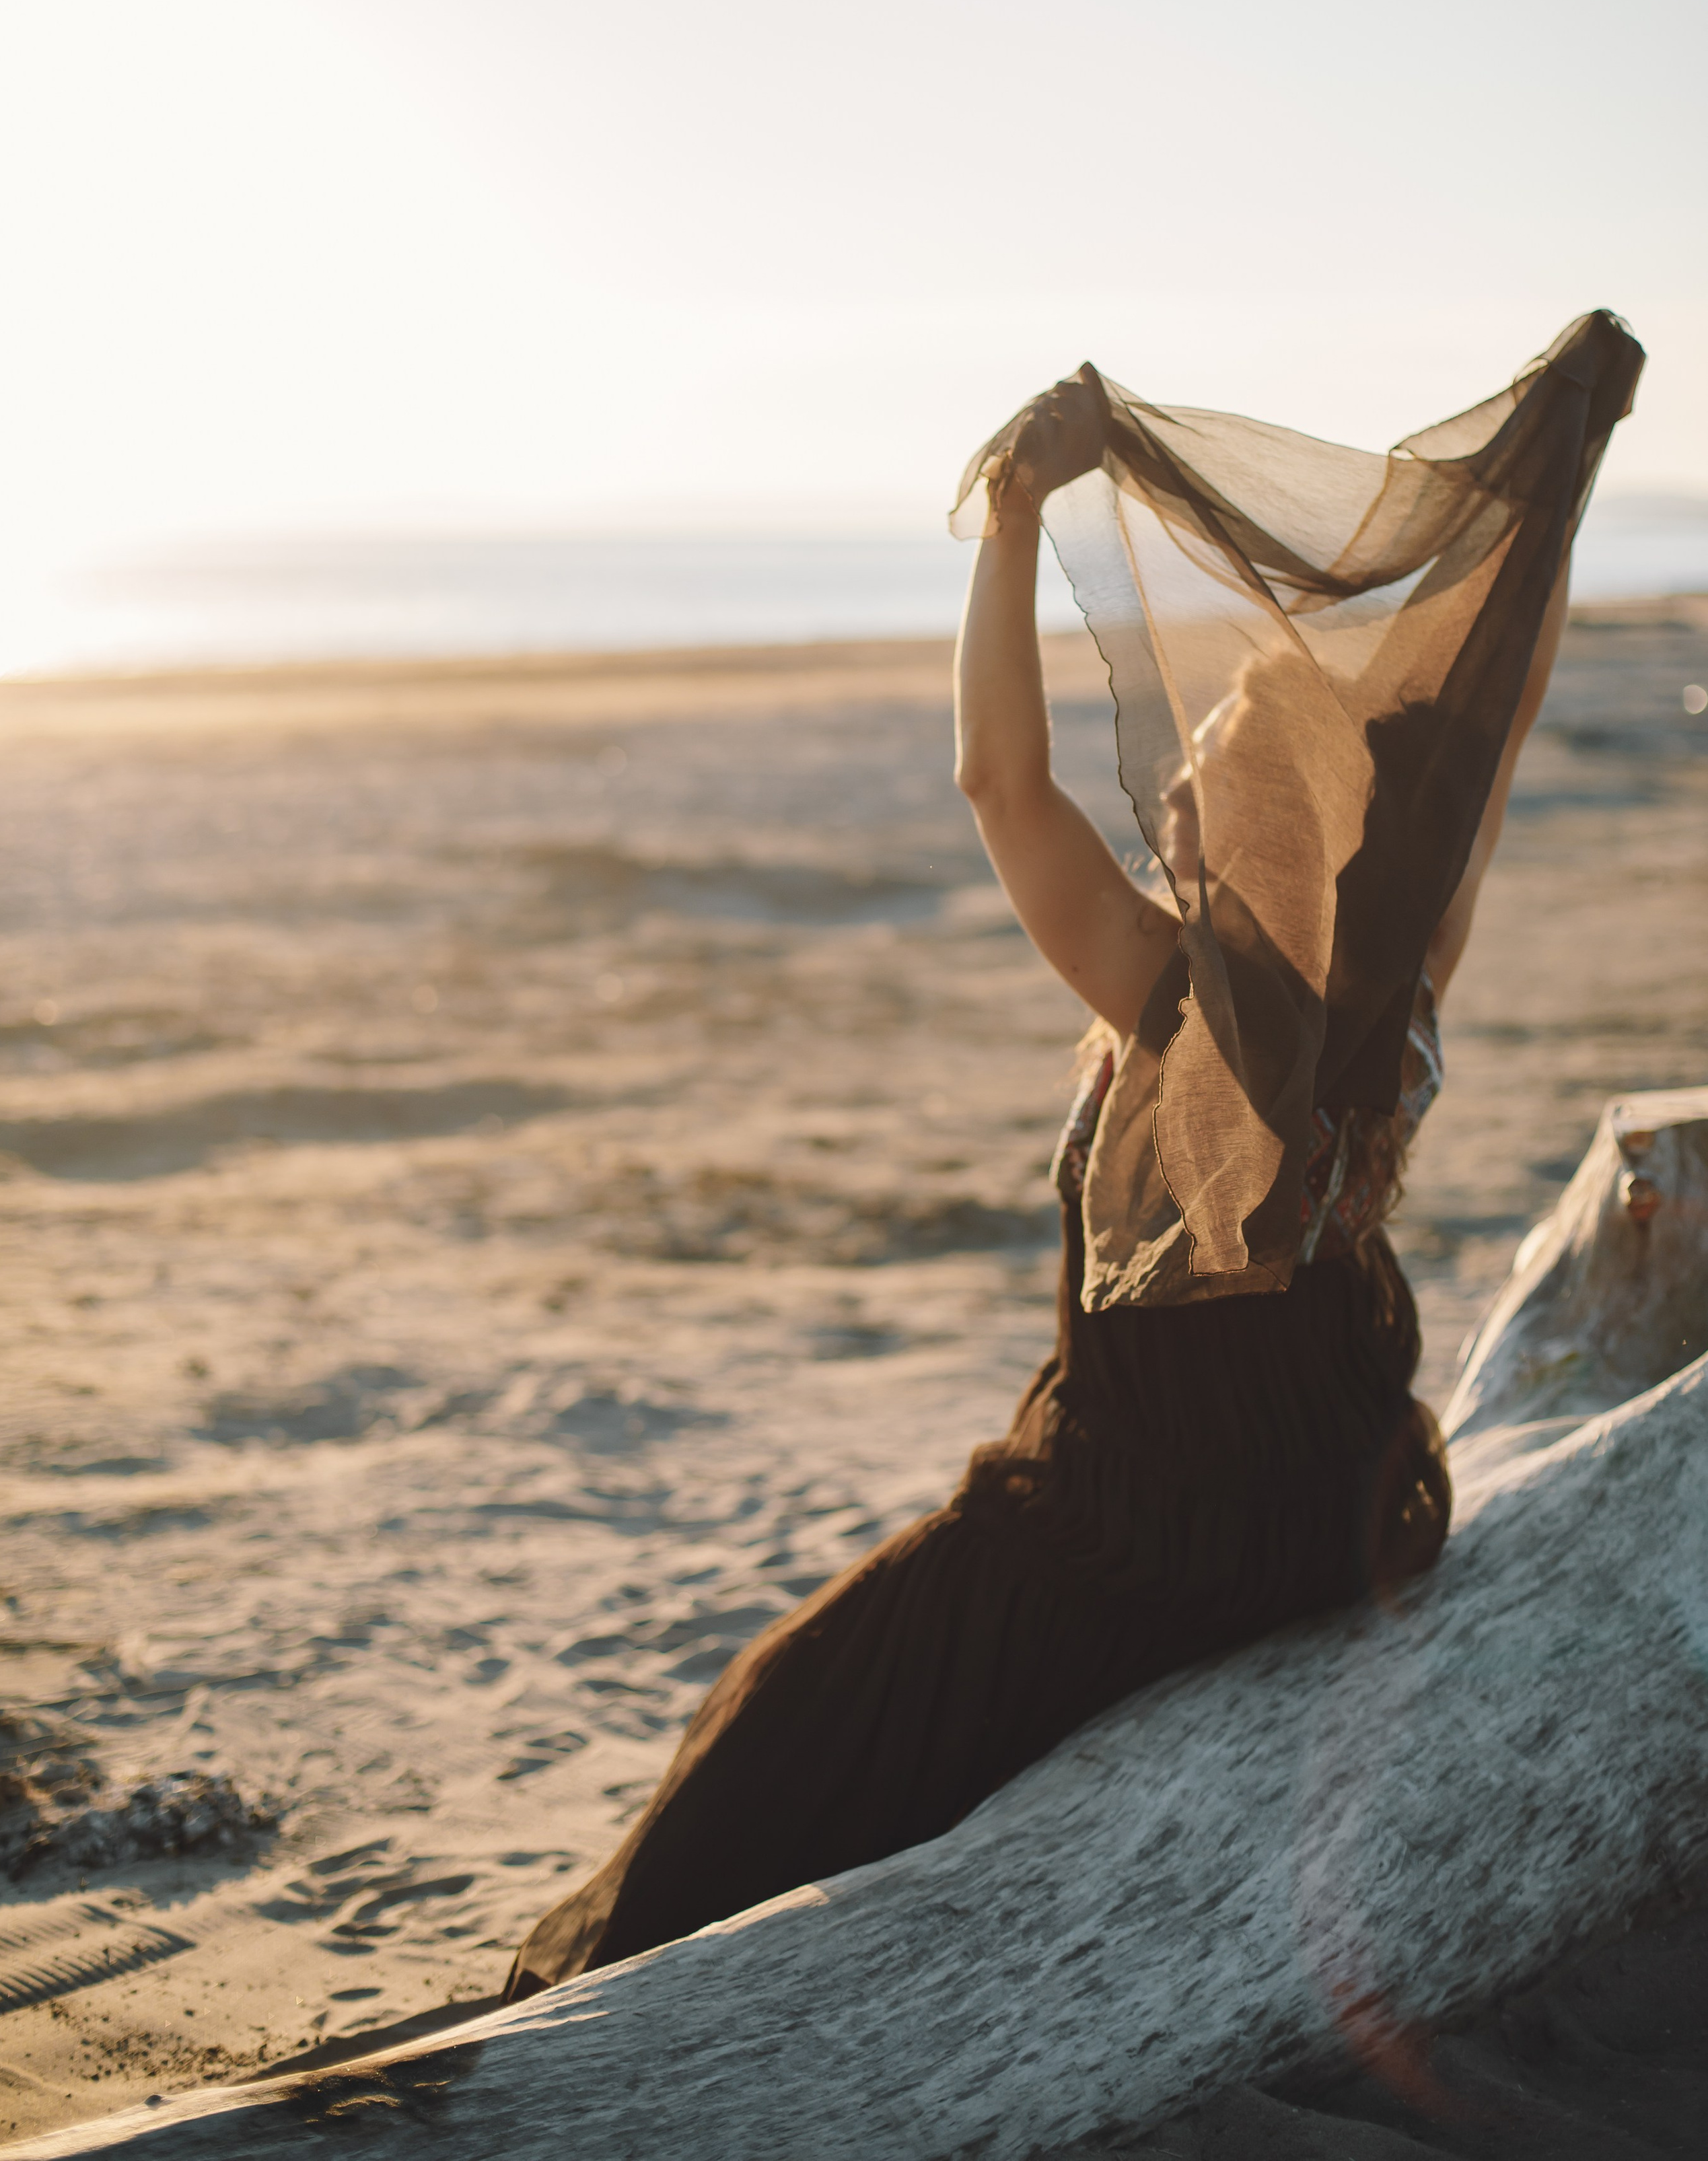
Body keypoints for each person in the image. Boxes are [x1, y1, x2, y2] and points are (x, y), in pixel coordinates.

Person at [505, 312, 1643, 1999]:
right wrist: (1554, 485)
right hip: (1321, 1503)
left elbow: (996, 775)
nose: (1162, 793)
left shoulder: (1180, 1008)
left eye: (1185, 773)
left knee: (783, 1721)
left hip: (1132, 1527)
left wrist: (1017, 519)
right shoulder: (1390, 994)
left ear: (1230, 826)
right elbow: (1475, 750)